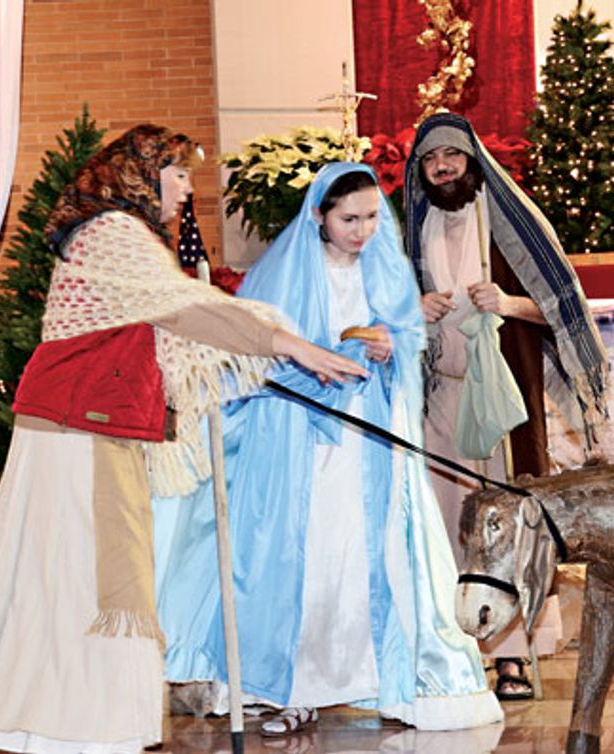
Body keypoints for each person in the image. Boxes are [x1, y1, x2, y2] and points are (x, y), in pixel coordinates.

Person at [0, 124, 364, 754]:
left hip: (85, 420)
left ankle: (62, 723)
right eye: (178, 174)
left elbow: (171, 322)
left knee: (79, 575)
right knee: (104, 575)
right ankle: (83, 727)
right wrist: (288, 343)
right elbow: (185, 309)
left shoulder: (115, 234)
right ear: (140, 173)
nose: (188, 189)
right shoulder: (112, 234)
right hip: (78, 425)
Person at [154, 162, 504, 736]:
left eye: (371, 217)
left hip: (372, 436)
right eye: (349, 219)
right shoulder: (284, 272)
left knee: (373, 556)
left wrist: (392, 345)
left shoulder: (385, 268)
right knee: (310, 561)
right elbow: (256, 361)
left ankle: (388, 678)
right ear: (319, 214)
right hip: (302, 443)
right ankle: (296, 688)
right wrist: (318, 361)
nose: (362, 230)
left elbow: (407, 335)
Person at [403, 113, 610, 700]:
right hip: (435, 400)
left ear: (472, 161)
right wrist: (413, 307)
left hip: (500, 405)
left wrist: (509, 302)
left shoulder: (509, 226)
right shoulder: (408, 235)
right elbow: (383, 311)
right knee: (443, 526)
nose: (443, 167)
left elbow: (564, 308)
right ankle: (451, 654)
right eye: (431, 160)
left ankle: (510, 658)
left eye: (453, 156)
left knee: (501, 528)